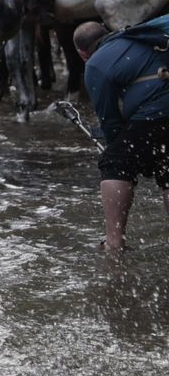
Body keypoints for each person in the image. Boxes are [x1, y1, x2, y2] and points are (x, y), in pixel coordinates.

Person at [76, 17, 169, 252]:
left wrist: (118, 146)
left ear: (82, 53)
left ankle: (114, 244)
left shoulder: (95, 64)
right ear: (107, 32)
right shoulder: (137, 38)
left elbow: (109, 119)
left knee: (114, 163)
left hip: (153, 113)